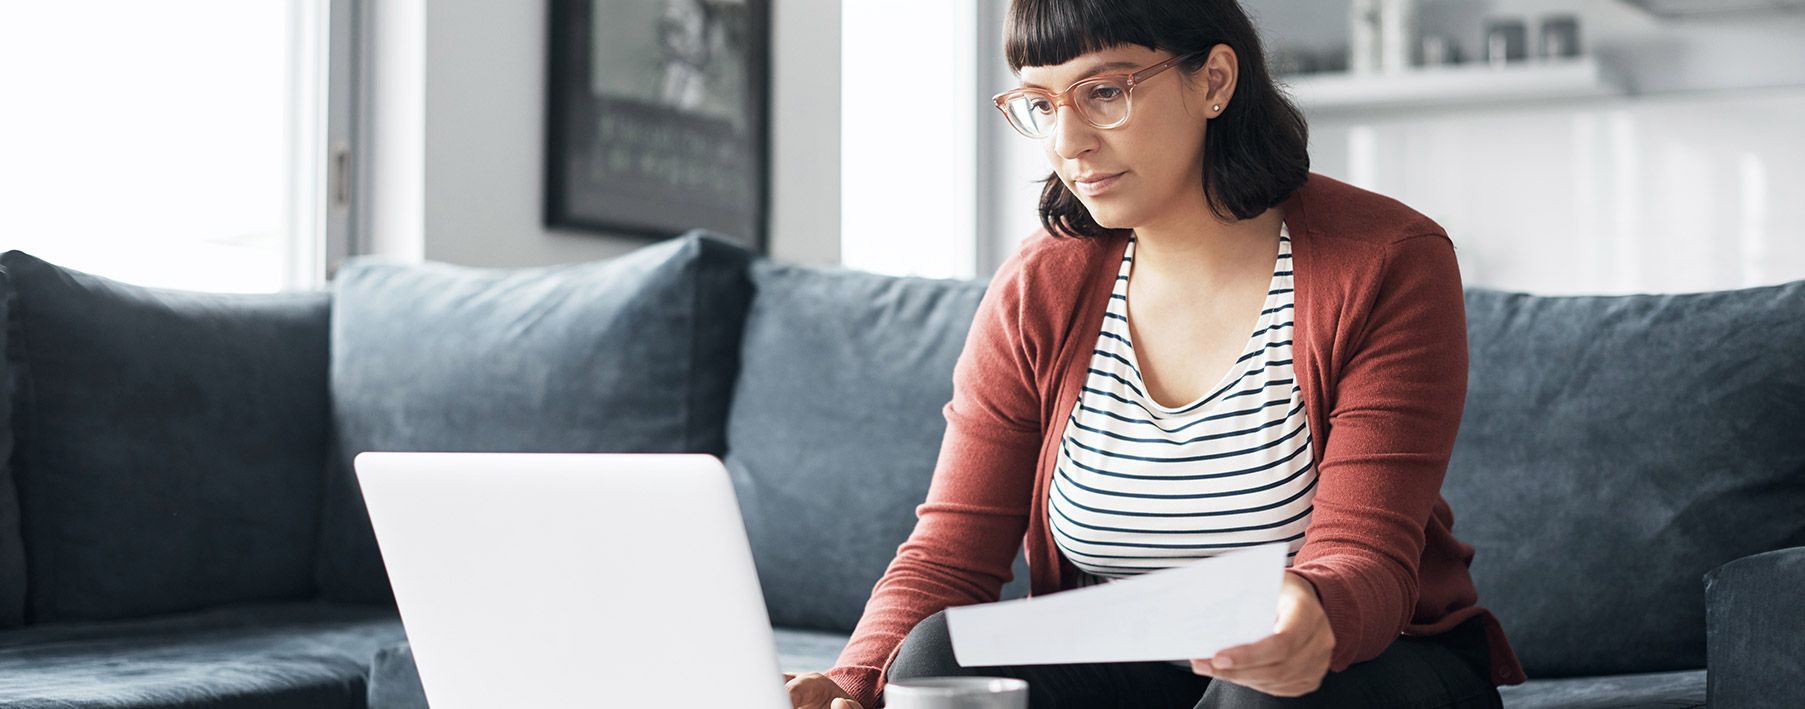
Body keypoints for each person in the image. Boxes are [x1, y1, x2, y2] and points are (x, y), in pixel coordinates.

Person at [785, 1, 1526, 707]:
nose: (1067, 141)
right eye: (1041, 104)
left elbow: (1366, 554)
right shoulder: (1039, 286)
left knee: (1264, 683)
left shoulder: (1385, 260)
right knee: (933, 660)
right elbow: (949, 551)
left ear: (1213, 81)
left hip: (1361, 663)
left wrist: (1310, 606)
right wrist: (851, 682)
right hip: (1133, 665)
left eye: (1104, 91)